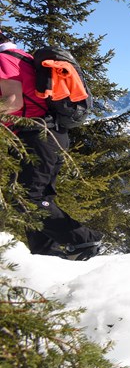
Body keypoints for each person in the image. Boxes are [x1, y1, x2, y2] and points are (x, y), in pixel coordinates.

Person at [0, 29, 102, 259]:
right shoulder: (23, 57)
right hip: (50, 134)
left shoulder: (3, 59)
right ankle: (45, 253)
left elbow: (12, 102)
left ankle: (85, 240)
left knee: (27, 198)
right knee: (38, 197)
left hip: (35, 136)